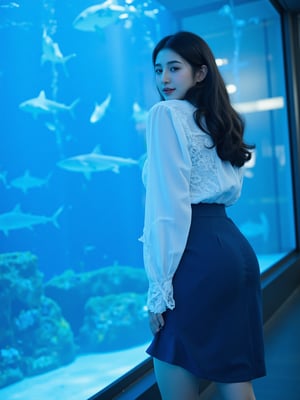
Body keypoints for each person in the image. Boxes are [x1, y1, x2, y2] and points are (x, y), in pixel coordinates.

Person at [140, 31, 266, 400]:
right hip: (234, 250)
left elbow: (168, 210)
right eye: (159, 69)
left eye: (174, 68)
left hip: (194, 253)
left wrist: (158, 291)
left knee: (170, 356)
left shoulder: (165, 114)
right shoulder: (218, 120)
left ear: (200, 73)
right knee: (233, 372)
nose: (164, 78)